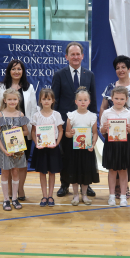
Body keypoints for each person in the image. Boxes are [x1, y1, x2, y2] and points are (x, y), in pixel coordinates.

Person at [0, 59, 37, 201]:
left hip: (23, 130)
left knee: (22, 162)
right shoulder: (1, 87)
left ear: (23, 71)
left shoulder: (29, 87)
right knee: (8, 163)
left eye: (19, 69)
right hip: (5, 132)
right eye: (13, 69)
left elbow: (32, 110)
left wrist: (31, 130)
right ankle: (8, 191)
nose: (16, 71)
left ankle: (20, 189)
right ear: (9, 71)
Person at [52, 42, 97, 197]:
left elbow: (94, 101)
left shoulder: (89, 75)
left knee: (85, 156)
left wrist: (93, 123)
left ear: (83, 56)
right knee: (66, 155)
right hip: (66, 125)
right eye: (72, 54)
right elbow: (55, 101)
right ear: (67, 57)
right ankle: (64, 184)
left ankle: (86, 184)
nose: (76, 57)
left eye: (78, 54)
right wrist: (57, 124)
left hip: (85, 124)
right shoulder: (58, 75)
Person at [100, 55, 130, 199]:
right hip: (112, 132)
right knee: (113, 160)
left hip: (129, 131)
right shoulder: (110, 87)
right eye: (118, 68)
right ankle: (114, 190)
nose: (120, 70)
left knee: (126, 159)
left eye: (123, 67)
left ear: (129, 68)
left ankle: (125, 188)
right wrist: (104, 127)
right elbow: (103, 108)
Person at [0, 88, 29, 211]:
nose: (12, 101)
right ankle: (5, 199)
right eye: (10, 99)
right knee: (5, 173)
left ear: (18, 100)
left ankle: (14, 198)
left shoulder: (20, 114)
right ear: (5, 100)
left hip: (17, 149)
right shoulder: (0, 115)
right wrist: (3, 150)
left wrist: (18, 130)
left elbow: (26, 132)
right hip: (5, 149)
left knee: (15, 172)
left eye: (14, 99)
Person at [100, 86, 130, 207]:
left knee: (123, 170)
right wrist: (104, 128)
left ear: (126, 99)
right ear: (112, 98)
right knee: (112, 170)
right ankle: (111, 196)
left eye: (122, 98)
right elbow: (102, 131)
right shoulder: (106, 113)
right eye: (116, 98)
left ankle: (123, 197)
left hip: (124, 145)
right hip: (111, 145)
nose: (119, 101)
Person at [65, 87, 99, 205]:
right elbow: (67, 133)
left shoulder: (92, 116)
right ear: (76, 102)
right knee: (74, 172)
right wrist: (71, 133)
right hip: (74, 150)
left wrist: (93, 144)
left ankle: (84, 195)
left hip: (87, 150)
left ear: (89, 102)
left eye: (85, 100)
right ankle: (75, 195)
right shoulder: (71, 116)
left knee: (85, 172)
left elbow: (95, 133)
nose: (83, 102)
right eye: (80, 100)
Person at [30, 88, 64, 207]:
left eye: (48, 99)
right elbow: (33, 132)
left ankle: (50, 195)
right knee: (42, 172)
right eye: (44, 99)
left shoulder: (56, 115)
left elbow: (60, 131)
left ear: (52, 100)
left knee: (52, 172)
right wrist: (37, 143)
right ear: (40, 100)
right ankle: (44, 195)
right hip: (41, 148)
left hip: (53, 147)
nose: (46, 101)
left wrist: (56, 143)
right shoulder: (36, 115)